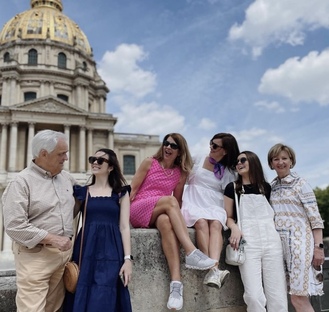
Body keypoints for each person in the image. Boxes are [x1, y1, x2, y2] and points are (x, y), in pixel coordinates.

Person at [130, 133, 217, 311]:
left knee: (165, 222)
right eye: (166, 143)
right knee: (170, 202)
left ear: (180, 151)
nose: (168, 147)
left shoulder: (180, 173)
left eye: (173, 145)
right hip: (138, 207)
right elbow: (132, 190)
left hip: (157, 212)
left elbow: (178, 203)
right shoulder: (149, 162)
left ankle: (176, 285)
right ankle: (191, 251)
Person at [2, 129, 76, 312]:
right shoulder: (21, 182)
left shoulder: (67, 179)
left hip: (63, 258)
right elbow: (14, 226)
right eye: (61, 153)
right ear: (44, 154)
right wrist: (53, 238)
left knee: (55, 308)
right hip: (35, 257)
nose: (66, 158)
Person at [63, 148, 132, 312]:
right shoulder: (82, 192)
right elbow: (67, 219)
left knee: (105, 296)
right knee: (84, 291)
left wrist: (128, 259)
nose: (95, 162)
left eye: (100, 160)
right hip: (86, 249)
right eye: (93, 159)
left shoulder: (121, 193)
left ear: (110, 167)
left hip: (112, 252)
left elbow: (124, 227)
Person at [224, 151, 288, 312]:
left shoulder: (265, 187)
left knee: (278, 295)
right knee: (253, 296)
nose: (239, 163)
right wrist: (234, 228)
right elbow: (228, 217)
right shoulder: (232, 188)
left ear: (253, 162)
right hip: (248, 244)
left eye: (243, 160)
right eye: (237, 161)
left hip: (272, 243)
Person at [267, 143, 324, 312]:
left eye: (284, 158)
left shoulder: (301, 184)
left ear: (291, 161)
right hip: (280, 248)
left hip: (301, 247)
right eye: (276, 159)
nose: (280, 162)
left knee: (298, 297)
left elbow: (315, 218)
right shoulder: (271, 187)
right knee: (293, 297)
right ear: (271, 164)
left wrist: (318, 247)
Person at [181, 133, 240, 288]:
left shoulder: (229, 172)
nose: (210, 147)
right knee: (200, 223)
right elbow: (182, 167)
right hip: (194, 198)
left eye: (215, 146)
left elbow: (229, 195)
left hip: (215, 202)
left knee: (216, 225)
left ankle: (212, 270)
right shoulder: (200, 157)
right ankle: (213, 269)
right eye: (211, 143)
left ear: (225, 151)